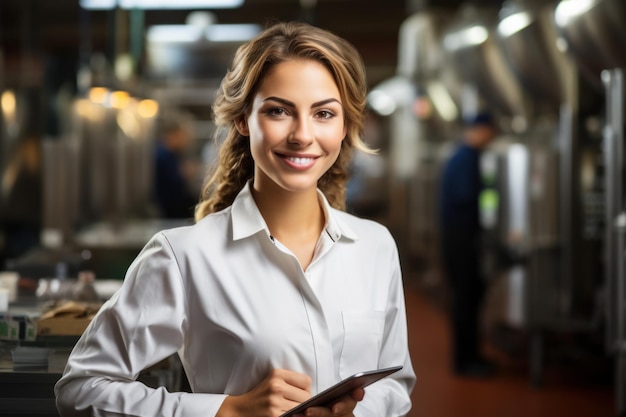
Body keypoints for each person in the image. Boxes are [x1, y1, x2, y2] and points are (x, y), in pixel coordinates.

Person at [55, 21, 416, 417]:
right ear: (244, 119)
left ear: (345, 124)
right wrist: (227, 410)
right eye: (279, 110)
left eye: (324, 113)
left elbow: (395, 385)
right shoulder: (183, 256)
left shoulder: (374, 246)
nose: (302, 134)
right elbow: (81, 389)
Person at [438, 111, 497, 378]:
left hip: (460, 235)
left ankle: (472, 356)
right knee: (465, 299)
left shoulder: (464, 155)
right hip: (460, 236)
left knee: (470, 299)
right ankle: (465, 361)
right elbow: (466, 197)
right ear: (482, 130)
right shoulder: (467, 158)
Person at [153, 117, 199, 219]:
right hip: (169, 204)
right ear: (172, 135)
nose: (184, 140)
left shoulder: (173, 154)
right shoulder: (162, 154)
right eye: (181, 135)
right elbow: (174, 177)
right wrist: (187, 172)